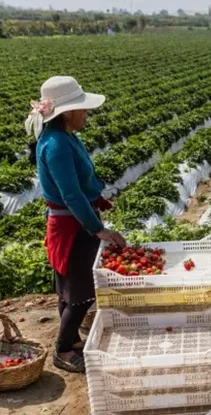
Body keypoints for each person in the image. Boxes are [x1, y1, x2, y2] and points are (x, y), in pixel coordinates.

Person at [26, 76, 126, 372]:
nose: (87, 113)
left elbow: (77, 187)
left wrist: (96, 201)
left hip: (75, 219)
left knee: (69, 290)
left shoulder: (65, 136)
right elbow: (70, 194)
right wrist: (98, 228)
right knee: (82, 293)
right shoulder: (56, 145)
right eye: (82, 108)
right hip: (72, 226)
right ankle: (63, 350)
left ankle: (71, 340)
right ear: (67, 112)